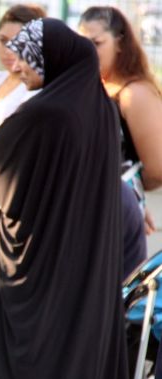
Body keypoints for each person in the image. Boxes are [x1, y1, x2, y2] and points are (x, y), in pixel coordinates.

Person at [0, 18, 128, 379]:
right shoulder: (101, 109)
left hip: (34, 264)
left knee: (21, 373)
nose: (17, 67)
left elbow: (4, 179)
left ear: (53, 59)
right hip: (84, 266)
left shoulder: (43, 112)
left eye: (28, 58)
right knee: (68, 364)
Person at [78, 6, 161, 273]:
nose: (88, 51)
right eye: (82, 43)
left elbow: (157, 168)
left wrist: (128, 191)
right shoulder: (92, 88)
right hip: (85, 213)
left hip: (113, 218)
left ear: (120, 42)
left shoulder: (133, 93)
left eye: (97, 43)